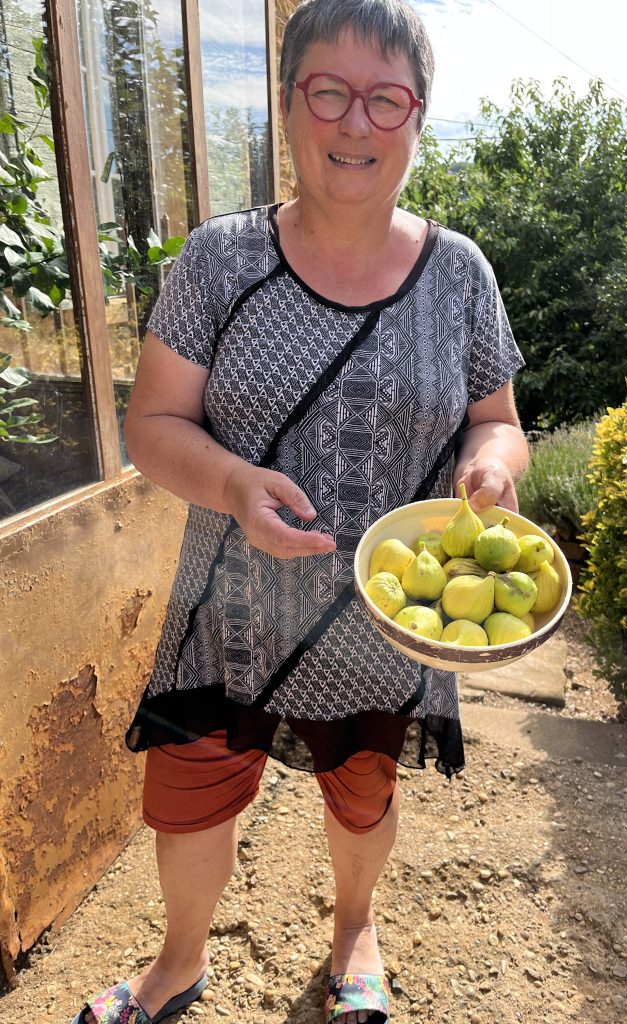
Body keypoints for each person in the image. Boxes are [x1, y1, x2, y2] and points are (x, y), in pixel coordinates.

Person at [71, 1, 527, 1021]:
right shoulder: (219, 261)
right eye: (328, 91)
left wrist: (491, 468)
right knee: (189, 796)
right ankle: (177, 961)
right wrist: (234, 485)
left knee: (363, 791)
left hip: (378, 620)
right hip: (225, 607)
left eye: (385, 98)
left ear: (418, 116)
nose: (355, 122)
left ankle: (356, 931)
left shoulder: (459, 274)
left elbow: (499, 419)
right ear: (288, 105)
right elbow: (152, 423)